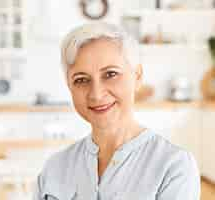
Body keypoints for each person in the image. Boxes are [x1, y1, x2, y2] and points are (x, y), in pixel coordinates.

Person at [33, 23, 200, 200]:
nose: (96, 94)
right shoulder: (54, 168)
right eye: (81, 80)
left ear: (137, 76)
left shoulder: (174, 166)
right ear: (69, 86)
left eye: (110, 74)